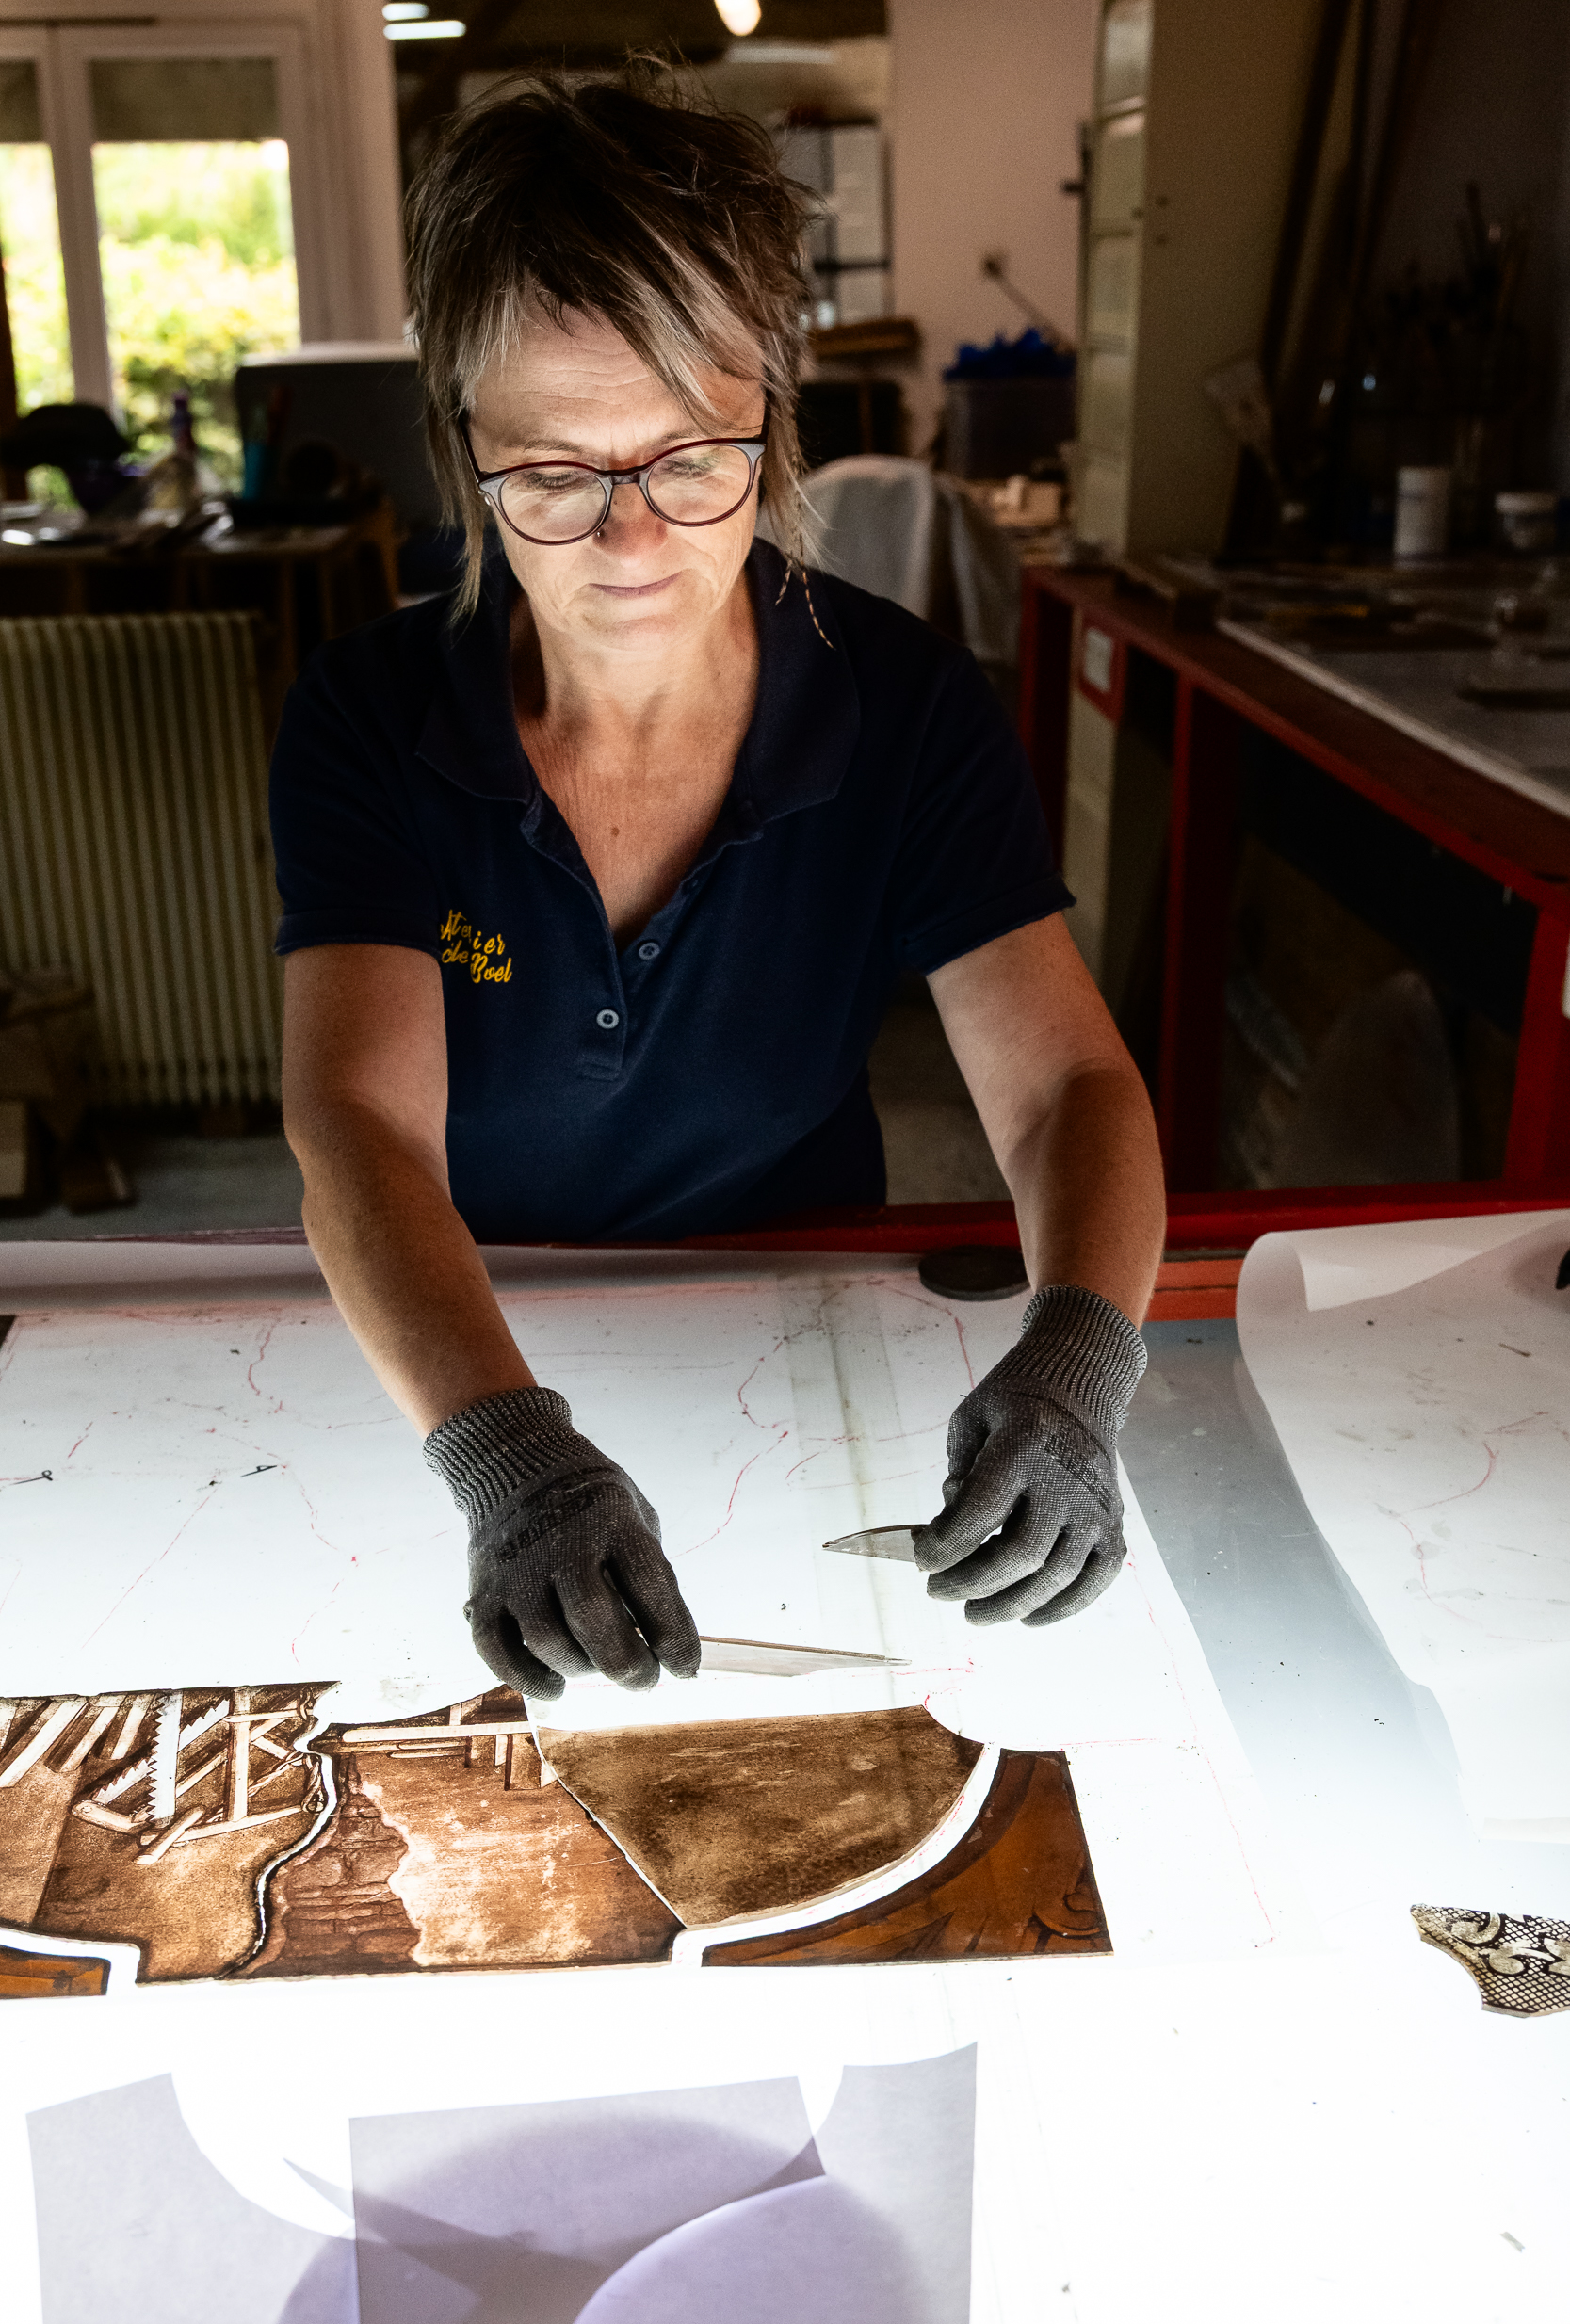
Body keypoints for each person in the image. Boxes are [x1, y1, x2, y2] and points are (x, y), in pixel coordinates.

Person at [271, 70, 1165, 1706]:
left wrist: (1082, 1353)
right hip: (468, 1343)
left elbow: (1063, 1089)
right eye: (552, 473)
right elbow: (362, 1135)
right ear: (464, 449)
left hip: (804, 1320)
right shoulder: (371, 721)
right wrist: (503, 1456)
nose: (628, 540)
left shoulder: (898, 705)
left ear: (777, 410)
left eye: (691, 458)